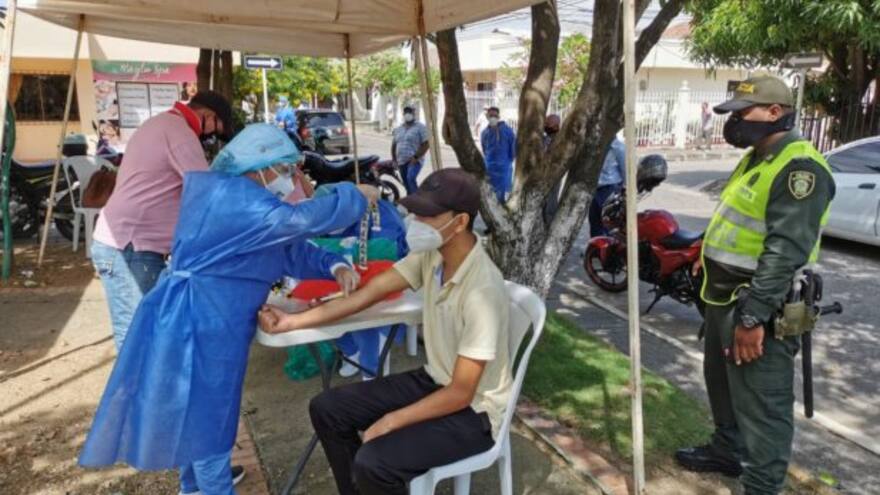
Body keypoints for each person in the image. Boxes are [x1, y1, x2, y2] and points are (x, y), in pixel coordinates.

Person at [79, 124, 378, 495]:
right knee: (208, 424)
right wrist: (354, 195)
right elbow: (296, 221)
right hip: (201, 320)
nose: (289, 177)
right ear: (260, 165)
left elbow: (282, 245)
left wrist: (333, 266)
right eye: (285, 168)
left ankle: (193, 489)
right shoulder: (234, 197)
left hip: (205, 316)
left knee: (194, 417)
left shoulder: (238, 196)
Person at [260, 169, 512, 495]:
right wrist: (292, 322)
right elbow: (369, 292)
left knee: (374, 461)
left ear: (460, 222)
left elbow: (462, 392)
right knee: (327, 409)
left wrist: (393, 420)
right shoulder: (433, 255)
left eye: (428, 214)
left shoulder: (482, 290)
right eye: (416, 210)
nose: (416, 220)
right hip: (435, 379)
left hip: (474, 412)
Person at [676, 76, 835, 495]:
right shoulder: (758, 157)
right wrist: (702, 256)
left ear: (775, 113)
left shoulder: (800, 169)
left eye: (742, 113)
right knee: (724, 386)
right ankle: (727, 450)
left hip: (760, 307)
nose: (734, 122)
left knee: (763, 405)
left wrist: (752, 318)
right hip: (723, 297)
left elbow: (784, 252)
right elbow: (737, 221)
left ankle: (762, 486)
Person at [91, 90, 234, 351]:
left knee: (149, 329)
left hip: (130, 242)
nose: (210, 136)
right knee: (137, 335)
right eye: (215, 129)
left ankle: (145, 389)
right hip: (131, 245)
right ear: (208, 116)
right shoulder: (179, 132)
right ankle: (133, 391)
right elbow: (205, 192)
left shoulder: (161, 123)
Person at [588, 136, 626, 237]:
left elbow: (626, 172)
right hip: (594, 190)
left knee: (608, 226)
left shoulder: (619, 148)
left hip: (610, 189)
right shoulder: (596, 145)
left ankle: (609, 251)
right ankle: (596, 250)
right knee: (594, 223)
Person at [480, 107, 517, 203]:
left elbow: (513, 150)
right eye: (490, 115)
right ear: (487, 117)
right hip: (489, 168)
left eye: (495, 115)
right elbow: (484, 150)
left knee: (503, 197)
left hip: (504, 169)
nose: (493, 117)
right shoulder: (484, 133)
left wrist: (506, 162)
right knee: (490, 197)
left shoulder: (508, 131)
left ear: (498, 116)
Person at [391, 106, 430, 194]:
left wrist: (416, 157)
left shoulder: (420, 127)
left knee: (410, 178)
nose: (408, 114)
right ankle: (410, 199)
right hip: (401, 161)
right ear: (403, 114)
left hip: (415, 160)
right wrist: (394, 159)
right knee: (406, 182)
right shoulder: (398, 129)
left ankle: (417, 200)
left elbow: (426, 144)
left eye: (410, 112)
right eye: (406, 112)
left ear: (414, 114)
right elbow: (394, 145)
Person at [542, 114, 563, 224]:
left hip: (553, 175)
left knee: (551, 201)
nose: (545, 125)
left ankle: (550, 223)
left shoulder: (561, 140)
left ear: (556, 125)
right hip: (541, 175)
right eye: (545, 122)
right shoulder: (544, 138)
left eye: (548, 123)